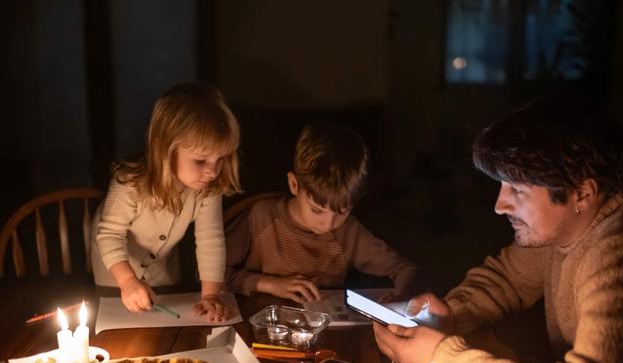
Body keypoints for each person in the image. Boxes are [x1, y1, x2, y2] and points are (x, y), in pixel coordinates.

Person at [374, 93, 623, 363]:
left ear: (582, 193)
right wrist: (453, 313)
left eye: (518, 190)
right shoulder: (571, 224)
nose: (499, 204)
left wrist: (443, 357)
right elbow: (506, 276)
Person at [225, 122, 425, 303]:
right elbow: (212, 275)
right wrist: (267, 283)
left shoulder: (348, 232)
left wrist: (405, 297)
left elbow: (403, 268)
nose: (328, 224)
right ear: (294, 184)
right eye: (316, 210)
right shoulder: (261, 217)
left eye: (342, 212)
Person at [91, 82, 241, 321]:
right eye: (201, 161)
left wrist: (211, 294)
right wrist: (127, 280)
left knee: (160, 322)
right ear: (166, 148)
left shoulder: (208, 188)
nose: (213, 171)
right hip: (115, 267)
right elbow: (109, 235)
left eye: (220, 159)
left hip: (162, 267)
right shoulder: (129, 183)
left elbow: (210, 238)